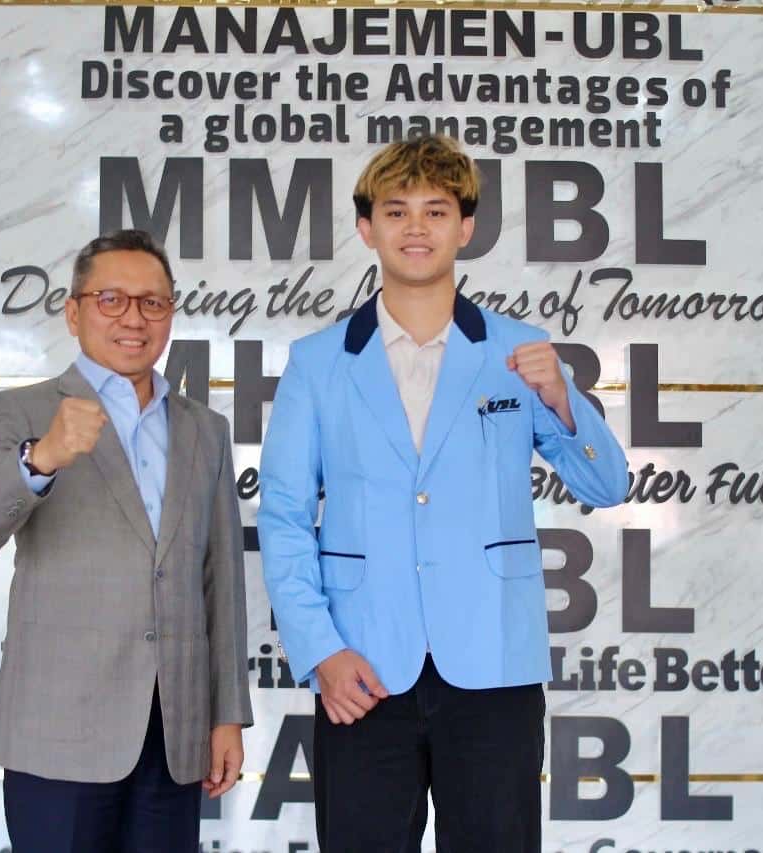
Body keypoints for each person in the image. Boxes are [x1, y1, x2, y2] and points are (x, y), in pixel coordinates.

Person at [257, 135, 629, 852]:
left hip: (494, 662)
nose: (416, 227)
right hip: (361, 669)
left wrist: (562, 398)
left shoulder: (519, 351)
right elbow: (284, 517)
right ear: (366, 229)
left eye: (436, 210)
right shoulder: (317, 362)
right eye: (396, 211)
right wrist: (320, 649)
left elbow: (607, 484)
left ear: (466, 228)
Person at [0, 228, 253, 852]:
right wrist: (42, 457)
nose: (133, 318)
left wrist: (226, 714)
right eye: (111, 299)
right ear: (73, 312)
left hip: (173, 735)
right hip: (58, 732)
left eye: (152, 302)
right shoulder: (24, 412)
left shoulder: (205, 430)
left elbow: (219, 581)